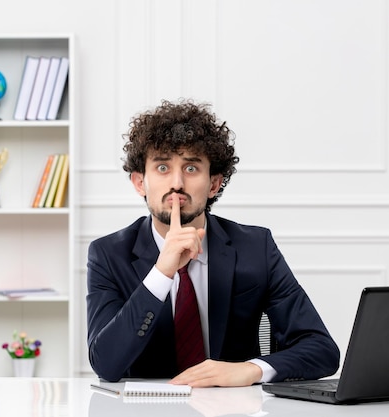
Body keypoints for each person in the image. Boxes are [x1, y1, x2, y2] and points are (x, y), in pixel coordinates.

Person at [86, 99, 339, 387]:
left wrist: (251, 370)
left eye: (191, 168)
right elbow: (106, 364)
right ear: (139, 182)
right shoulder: (107, 254)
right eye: (162, 167)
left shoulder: (256, 247)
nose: (177, 183)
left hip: (233, 407)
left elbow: (322, 350)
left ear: (214, 184)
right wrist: (161, 273)